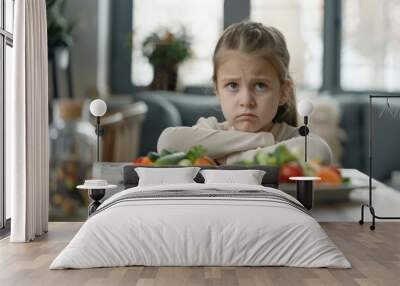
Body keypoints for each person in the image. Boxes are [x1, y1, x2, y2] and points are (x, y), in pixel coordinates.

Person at [157, 21, 333, 165]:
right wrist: (262, 141)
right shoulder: (210, 129)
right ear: (217, 90)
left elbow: (321, 151)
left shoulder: (290, 137)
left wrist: (237, 160)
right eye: (233, 85)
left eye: (260, 86)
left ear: (283, 92)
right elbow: (167, 142)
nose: (246, 101)